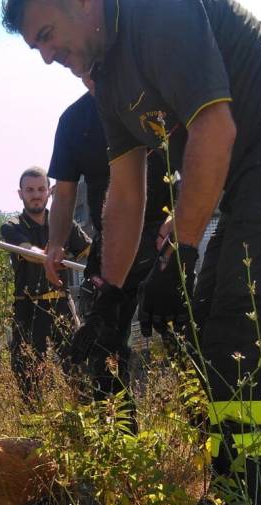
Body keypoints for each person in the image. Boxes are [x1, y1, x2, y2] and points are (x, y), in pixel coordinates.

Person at [3, 0, 261, 505]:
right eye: (38, 48)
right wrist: (110, 296)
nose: (49, 56)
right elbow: (125, 195)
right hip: (253, 170)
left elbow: (214, 129)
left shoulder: (157, 13)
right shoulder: (107, 81)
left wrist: (183, 252)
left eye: (49, 35)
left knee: (241, 316)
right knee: (214, 314)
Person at [46, 76, 171, 425]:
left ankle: (211, 439)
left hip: (164, 237)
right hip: (112, 243)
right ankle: (120, 438)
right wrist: (56, 242)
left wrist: (180, 220)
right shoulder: (73, 121)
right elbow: (65, 192)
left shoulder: (156, 99)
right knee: (102, 343)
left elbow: (197, 156)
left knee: (182, 335)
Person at [0, 166, 91, 405]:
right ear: (20, 194)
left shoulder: (63, 222)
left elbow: (89, 251)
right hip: (28, 308)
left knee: (78, 367)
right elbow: (29, 251)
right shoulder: (11, 225)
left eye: (41, 189)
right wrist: (48, 256)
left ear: (49, 192)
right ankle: (33, 433)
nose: (36, 194)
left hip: (61, 303)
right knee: (27, 373)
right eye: (29, 190)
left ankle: (86, 427)